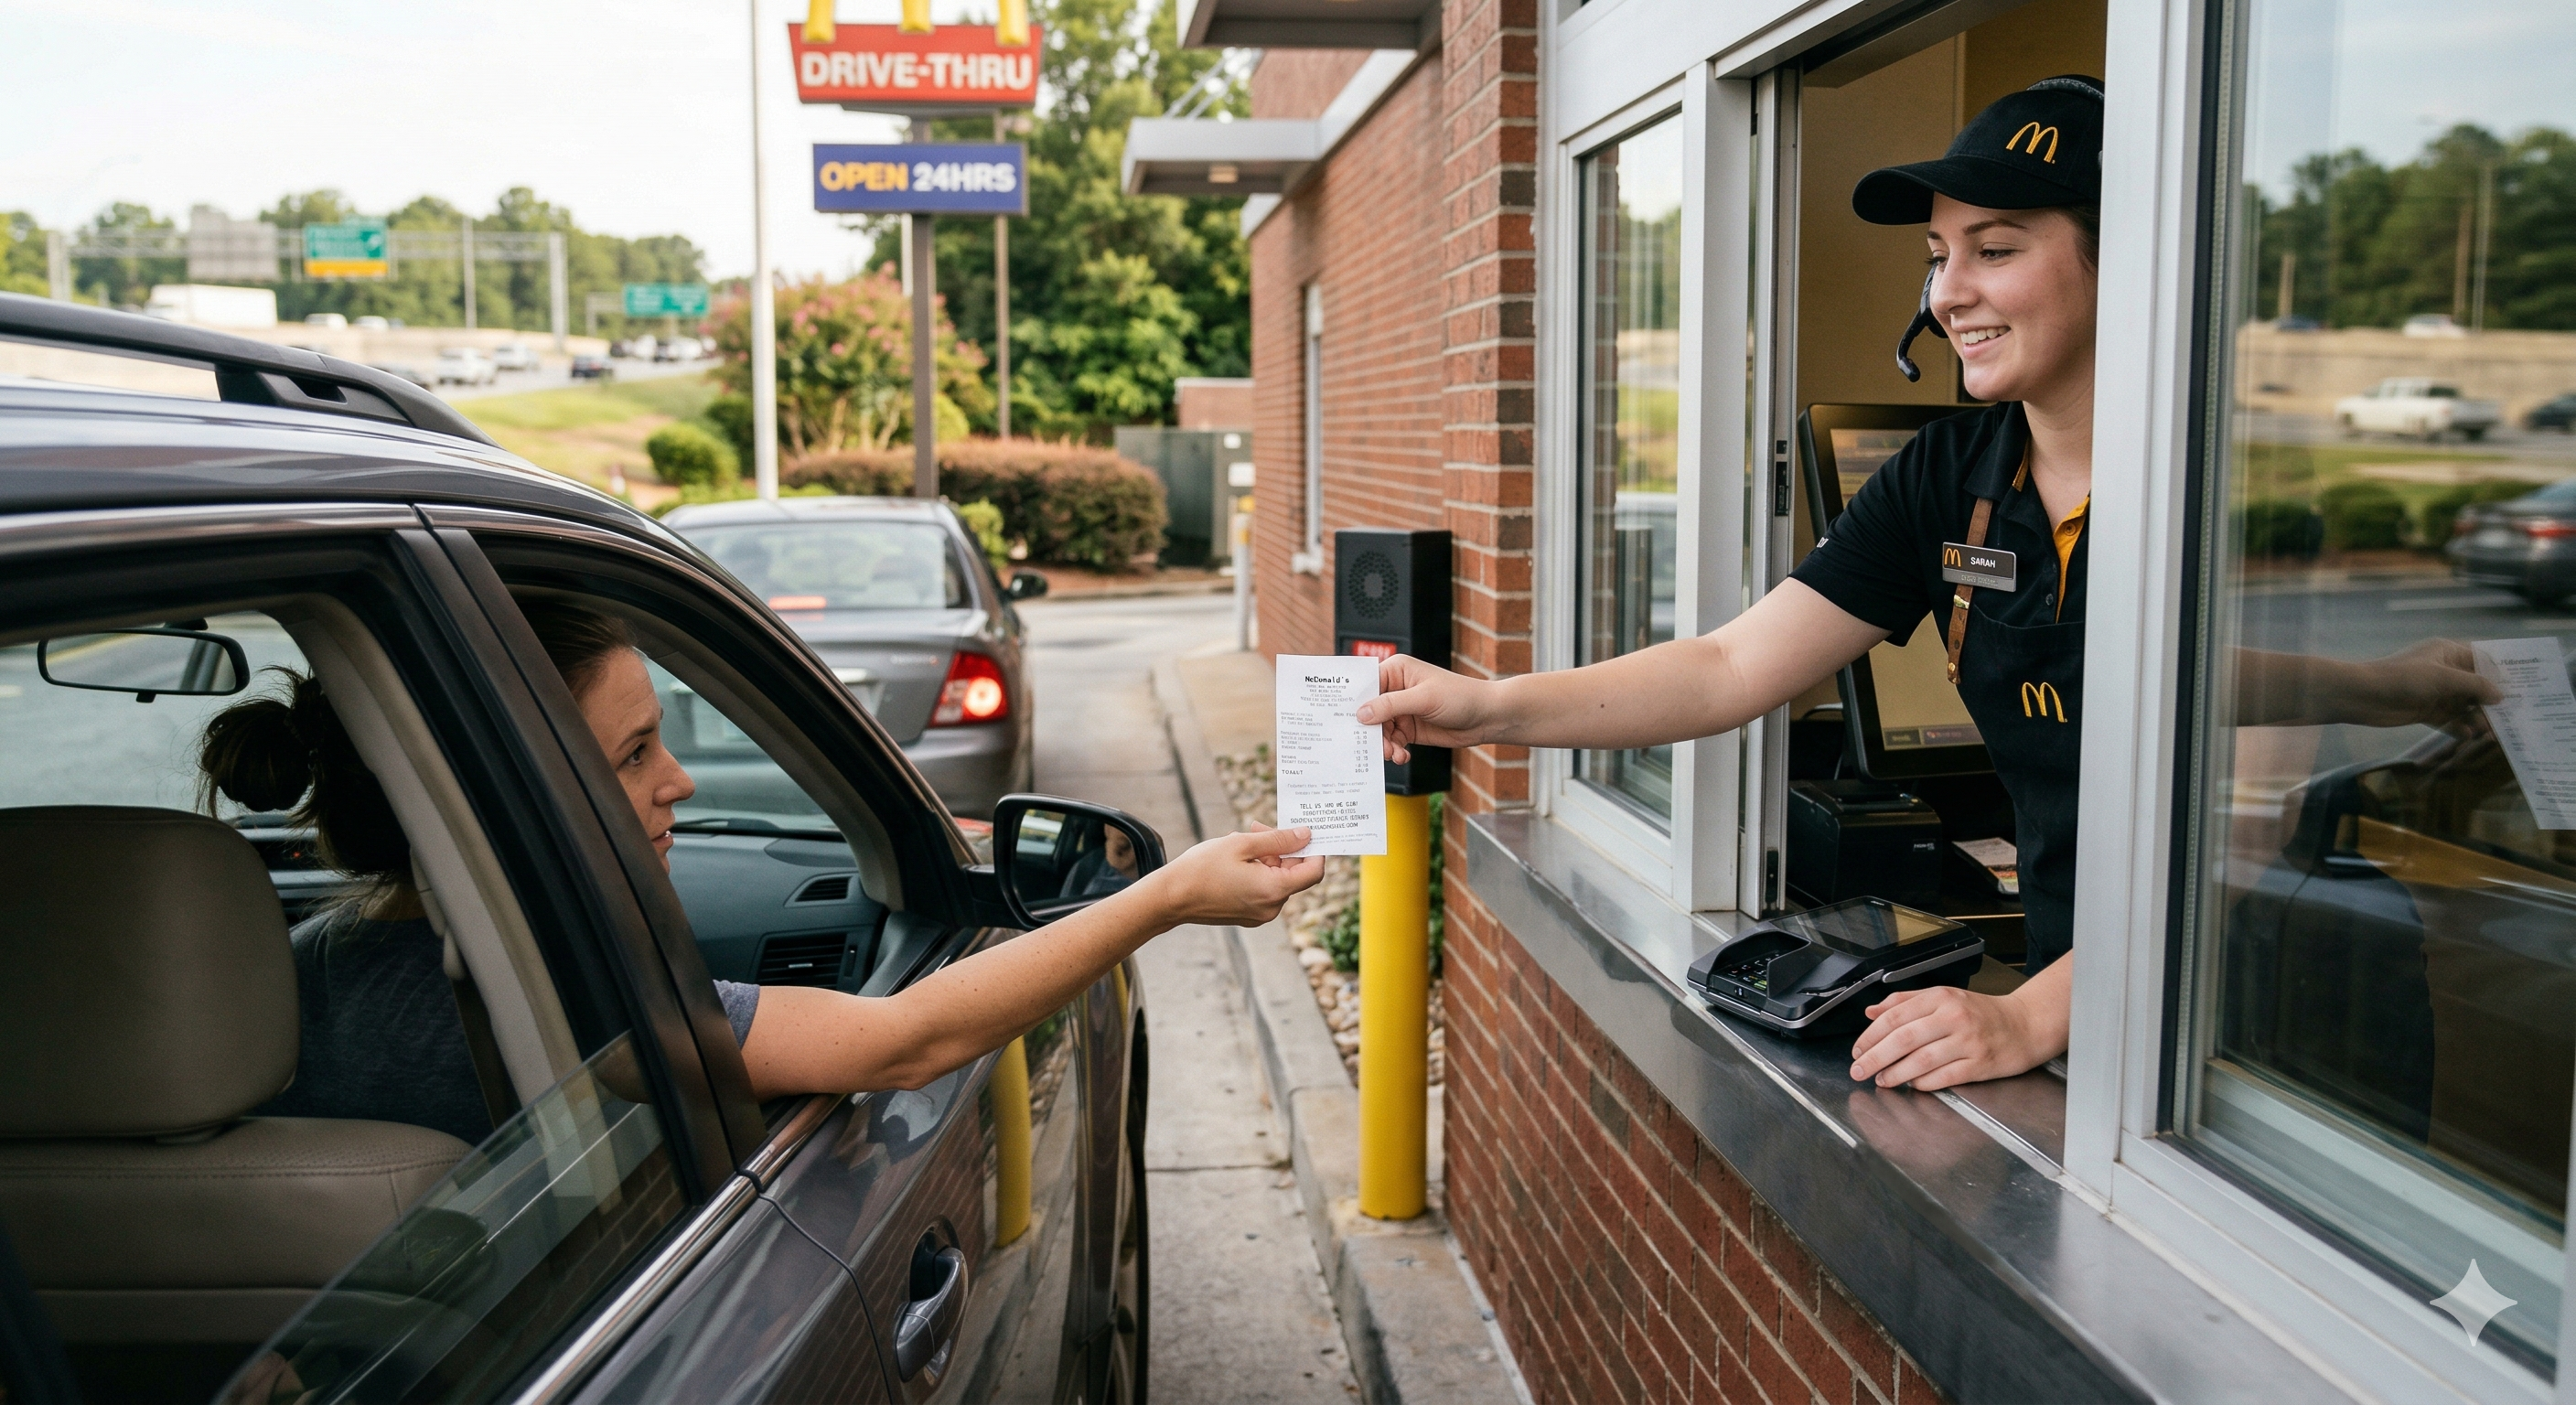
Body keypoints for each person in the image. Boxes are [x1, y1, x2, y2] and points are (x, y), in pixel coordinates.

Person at [1358, 76, 2495, 1092]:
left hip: (2265, 1009)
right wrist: (1488, 707)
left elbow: (2235, 826)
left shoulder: (2227, 484)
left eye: (1994, 249)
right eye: (1936, 257)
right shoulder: (1951, 476)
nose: (1949, 291)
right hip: (2085, 993)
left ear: (2129, 259)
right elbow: (1727, 666)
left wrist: (2021, 1018)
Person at [201, 600, 1319, 1136]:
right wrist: (1166, 895)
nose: (677, 782)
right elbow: (904, 1041)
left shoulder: (282, 993)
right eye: (635, 751)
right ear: (512, 790)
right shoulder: (586, 1002)